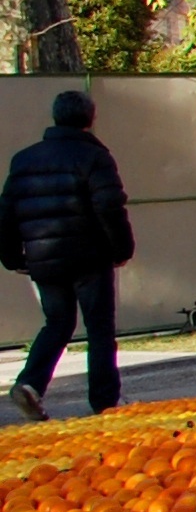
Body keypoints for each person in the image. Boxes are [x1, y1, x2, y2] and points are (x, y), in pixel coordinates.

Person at [1, 90, 134, 420]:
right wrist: (121, 250)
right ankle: (105, 401)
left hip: (43, 257)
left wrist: (13, 257)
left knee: (57, 322)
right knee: (100, 327)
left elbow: (6, 212)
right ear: (90, 119)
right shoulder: (95, 158)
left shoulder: (24, 159)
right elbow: (109, 207)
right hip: (90, 256)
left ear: (55, 117)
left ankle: (30, 383)